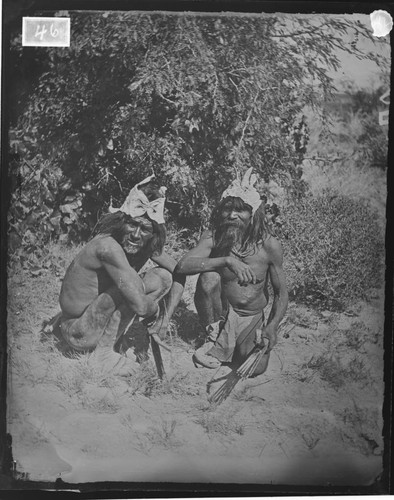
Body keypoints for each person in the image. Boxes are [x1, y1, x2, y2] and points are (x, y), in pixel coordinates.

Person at [52, 174, 184, 376]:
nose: (136, 235)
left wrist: (166, 319)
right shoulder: (108, 247)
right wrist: (156, 310)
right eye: (132, 224)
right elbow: (140, 305)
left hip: (89, 322)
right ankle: (103, 355)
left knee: (162, 277)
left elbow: (180, 272)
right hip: (78, 332)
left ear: (153, 233)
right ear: (121, 221)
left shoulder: (141, 243)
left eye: (145, 229)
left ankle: (111, 343)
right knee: (133, 288)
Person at [174, 168, 288, 379]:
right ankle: (212, 335)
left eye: (241, 210)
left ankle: (235, 345)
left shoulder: (270, 246)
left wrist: (272, 326)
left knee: (256, 368)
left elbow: (281, 293)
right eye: (228, 209)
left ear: (253, 214)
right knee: (210, 276)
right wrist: (227, 260)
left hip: (250, 316)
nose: (232, 215)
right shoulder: (214, 237)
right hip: (221, 314)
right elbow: (183, 266)